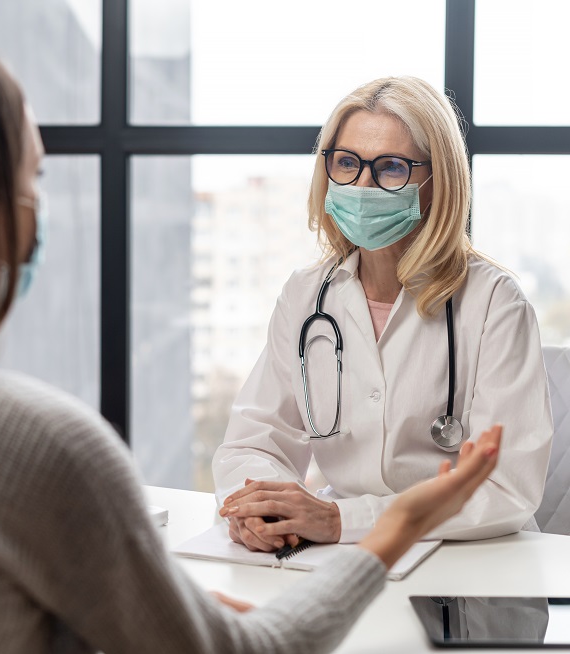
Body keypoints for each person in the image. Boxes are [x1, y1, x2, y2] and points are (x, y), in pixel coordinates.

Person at [0, 43, 503, 654]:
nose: (41, 210)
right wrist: (395, 524)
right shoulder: (37, 446)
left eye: (388, 167)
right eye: (36, 178)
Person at [212, 76, 552, 553]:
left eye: (391, 167)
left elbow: (506, 489)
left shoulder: (495, 302)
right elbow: (254, 442)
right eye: (347, 163)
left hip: (470, 555)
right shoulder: (306, 295)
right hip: (341, 552)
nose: (363, 185)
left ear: (438, 182)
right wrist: (261, 509)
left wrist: (340, 520)